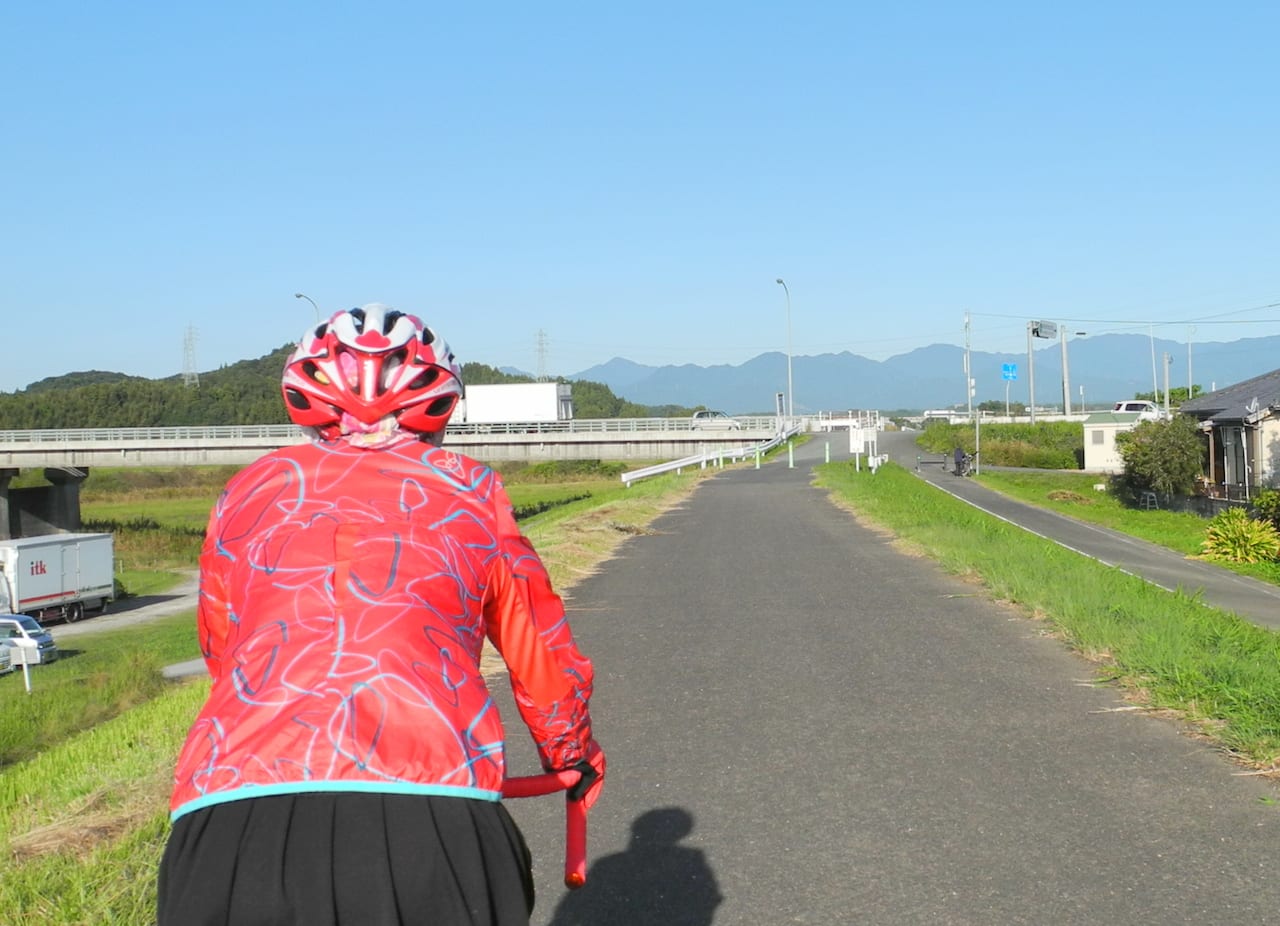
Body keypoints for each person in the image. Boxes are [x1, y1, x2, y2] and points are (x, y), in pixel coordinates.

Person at [157, 304, 605, 926]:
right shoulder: (471, 490)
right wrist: (571, 755)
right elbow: (541, 654)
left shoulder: (247, 491)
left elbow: (224, 648)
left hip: (231, 809)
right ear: (438, 407)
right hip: (431, 804)